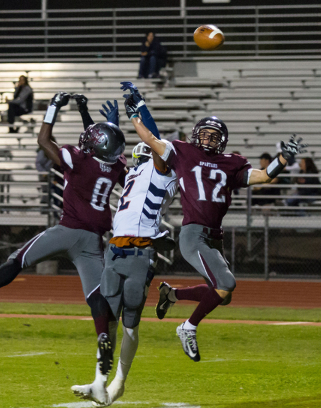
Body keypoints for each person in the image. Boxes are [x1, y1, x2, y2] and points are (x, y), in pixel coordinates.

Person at [0, 92, 127, 378]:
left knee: (17, 261)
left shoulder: (79, 159)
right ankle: (102, 336)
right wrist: (90, 116)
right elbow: (100, 143)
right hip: (93, 239)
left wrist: (53, 107)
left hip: (68, 229)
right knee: (95, 294)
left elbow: (44, 140)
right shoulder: (116, 167)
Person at [128, 92, 307, 362]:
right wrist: (134, 117)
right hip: (193, 234)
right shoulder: (183, 152)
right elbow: (152, 141)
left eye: (214, 136)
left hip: (215, 236)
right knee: (226, 283)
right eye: (206, 134)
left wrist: (281, 159)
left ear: (222, 141)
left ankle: (172, 294)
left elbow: (263, 176)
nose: (209, 139)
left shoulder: (231, 162)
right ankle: (187, 327)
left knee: (222, 295)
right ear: (196, 135)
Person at [71, 81, 177, 407]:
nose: (136, 155)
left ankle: (119, 381)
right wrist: (114, 125)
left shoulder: (163, 171)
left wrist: (140, 106)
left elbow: (156, 140)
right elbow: (105, 149)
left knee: (130, 318)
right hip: (114, 248)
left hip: (139, 250)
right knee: (107, 314)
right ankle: (99, 381)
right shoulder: (133, 174)